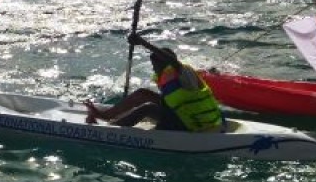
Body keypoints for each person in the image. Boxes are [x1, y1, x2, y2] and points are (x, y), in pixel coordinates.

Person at [83, 41, 224, 132]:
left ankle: (110, 130)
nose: (154, 69)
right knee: (143, 94)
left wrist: (142, 42)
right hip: (185, 116)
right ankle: (106, 115)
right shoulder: (166, 75)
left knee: (148, 108)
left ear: (166, 62)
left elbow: (172, 61)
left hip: (197, 125)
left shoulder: (183, 72)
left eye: (155, 65)